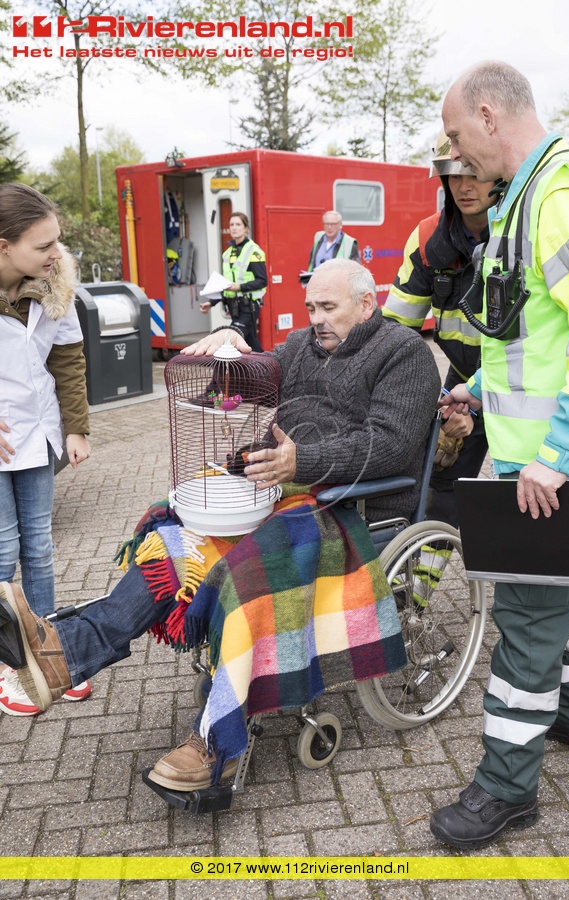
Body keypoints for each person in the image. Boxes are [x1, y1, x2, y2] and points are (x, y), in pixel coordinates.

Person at [0, 259, 440, 791]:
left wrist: (302, 461)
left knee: (241, 571)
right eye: (310, 308)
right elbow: (249, 382)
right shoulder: (300, 346)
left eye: (328, 308)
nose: (316, 319)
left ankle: (218, 741)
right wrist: (232, 346)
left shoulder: (404, 352)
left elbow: (391, 445)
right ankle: (63, 655)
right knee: (173, 540)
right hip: (280, 487)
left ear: (367, 304)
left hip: (350, 504)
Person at [430, 61, 569, 851]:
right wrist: (477, 391)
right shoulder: (528, 196)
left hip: (551, 470)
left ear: (490, 116)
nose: (455, 153)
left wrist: (560, 452)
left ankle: (505, 790)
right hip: (546, 460)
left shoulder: (558, 193)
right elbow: (531, 333)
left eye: (457, 133)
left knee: (529, 622)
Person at [0, 183, 92, 716]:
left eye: (57, 240)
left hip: (36, 436)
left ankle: (47, 648)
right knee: (2, 549)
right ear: (4, 247)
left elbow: (68, 361)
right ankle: (7, 659)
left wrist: (77, 429)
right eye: (43, 246)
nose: (56, 253)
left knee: (38, 545)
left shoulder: (55, 287)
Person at [383, 130, 496, 529]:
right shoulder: (427, 238)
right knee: (441, 485)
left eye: (473, 173)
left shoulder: (523, 233)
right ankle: (426, 570)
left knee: (529, 492)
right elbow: (395, 333)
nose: (464, 186)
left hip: (522, 383)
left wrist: (477, 399)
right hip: (462, 380)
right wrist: (436, 397)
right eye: (453, 175)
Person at [199, 211, 266, 352]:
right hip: (234, 308)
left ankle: (220, 368)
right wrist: (211, 303)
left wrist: (239, 287)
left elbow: (262, 281)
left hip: (248, 307)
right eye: (231, 225)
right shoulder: (228, 253)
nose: (234, 228)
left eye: (238, 224)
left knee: (229, 340)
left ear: (246, 228)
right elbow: (226, 285)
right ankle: (268, 365)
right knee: (251, 344)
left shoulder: (253, 251)